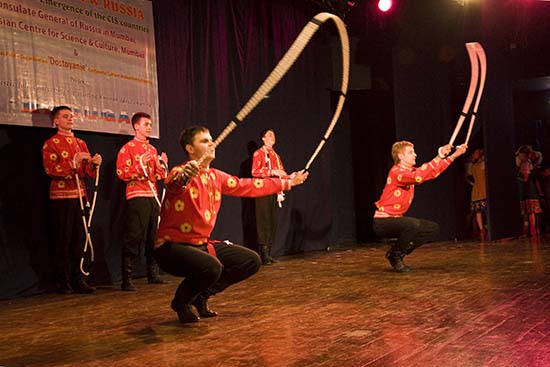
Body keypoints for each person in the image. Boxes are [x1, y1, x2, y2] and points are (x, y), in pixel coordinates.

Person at [154, 126, 308, 324]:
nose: (211, 143)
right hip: (171, 248)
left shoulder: (216, 177)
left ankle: (202, 295)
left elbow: (249, 185)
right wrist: (185, 175)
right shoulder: (180, 171)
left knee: (251, 260)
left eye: (211, 139)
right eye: (204, 141)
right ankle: (181, 302)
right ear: (190, 148)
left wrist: (287, 182)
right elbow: (174, 183)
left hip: (200, 245)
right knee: (212, 267)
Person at [373, 141, 467, 272]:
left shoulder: (410, 172)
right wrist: (439, 155)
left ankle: (397, 252)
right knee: (412, 225)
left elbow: (433, 171)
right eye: (411, 152)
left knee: (432, 228)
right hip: (383, 222)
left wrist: (455, 154)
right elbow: (418, 177)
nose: (415, 155)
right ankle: (395, 256)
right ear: (400, 156)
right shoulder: (396, 172)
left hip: (396, 220)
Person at [42, 106, 102, 293]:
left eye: (72, 116)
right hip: (62, 198)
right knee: (63, 239)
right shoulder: (50, 143)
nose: (70, 119)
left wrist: (94, 164)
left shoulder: (80, 143)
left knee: (80, 238)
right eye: (65, 116)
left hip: (80, 195)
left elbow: (87, 173)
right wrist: (73, 163)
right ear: (56, 121)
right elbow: (50, 169)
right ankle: (63, 280)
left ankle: (79, 278)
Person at [116, 112, 168, 291]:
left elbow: (158, 176)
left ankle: (153, 273)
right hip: (137, 196)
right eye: (146, 124)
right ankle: (127, 277)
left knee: (154, 235)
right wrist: (139, 165)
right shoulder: (127, 148)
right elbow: (122, 173)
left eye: (150, 124)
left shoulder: (152, 150)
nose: (149, 127)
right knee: (134, 235)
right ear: (136, 126)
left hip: (152, 195)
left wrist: (162, 165)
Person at [251, 129, 290, 265]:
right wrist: (272, 171)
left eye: (273, 134)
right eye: (269, 135)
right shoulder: (259, 153)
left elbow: (282, 173)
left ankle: (269, 253)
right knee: (264, 220)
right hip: (263, 190)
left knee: (273, 221)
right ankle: (264, 254)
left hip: (274, 190)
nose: (272, 137)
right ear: (263, 138)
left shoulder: (276, 156)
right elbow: (254, 171)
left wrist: (292, 177)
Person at [516, 145, 543, 237]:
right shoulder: (530, 163)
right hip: (532, 188)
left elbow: (526, 178)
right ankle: (535, 229)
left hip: (528, 189)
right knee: (533, 211)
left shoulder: (525, 163)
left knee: (530, 211)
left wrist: (519, 178)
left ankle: (532, 229)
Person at [470, 149, 487, 240]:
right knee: (478, 211)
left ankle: (485, 229)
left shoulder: (483, 164)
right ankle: (482, 230)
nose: (474, 154)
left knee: (484, 211)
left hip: (483, 190)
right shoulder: (474, 166)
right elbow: (468, 177)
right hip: (478, 190)